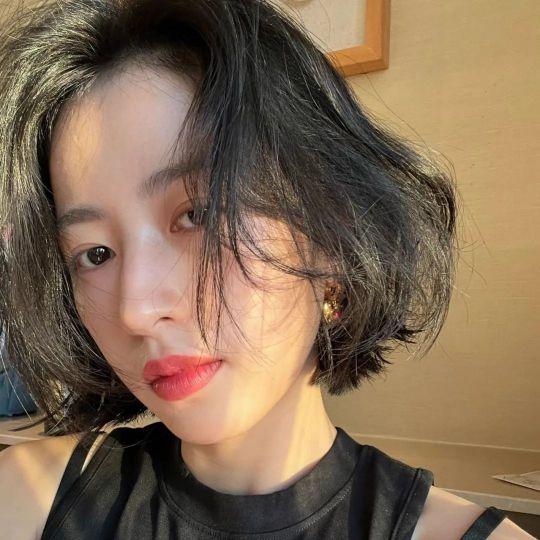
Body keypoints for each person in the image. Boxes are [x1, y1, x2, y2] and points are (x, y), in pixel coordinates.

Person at [0, 1, 533, 538]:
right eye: (95, 254)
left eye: (199, 213)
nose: (135, 309)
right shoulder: (22, 499)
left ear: (331, 230)